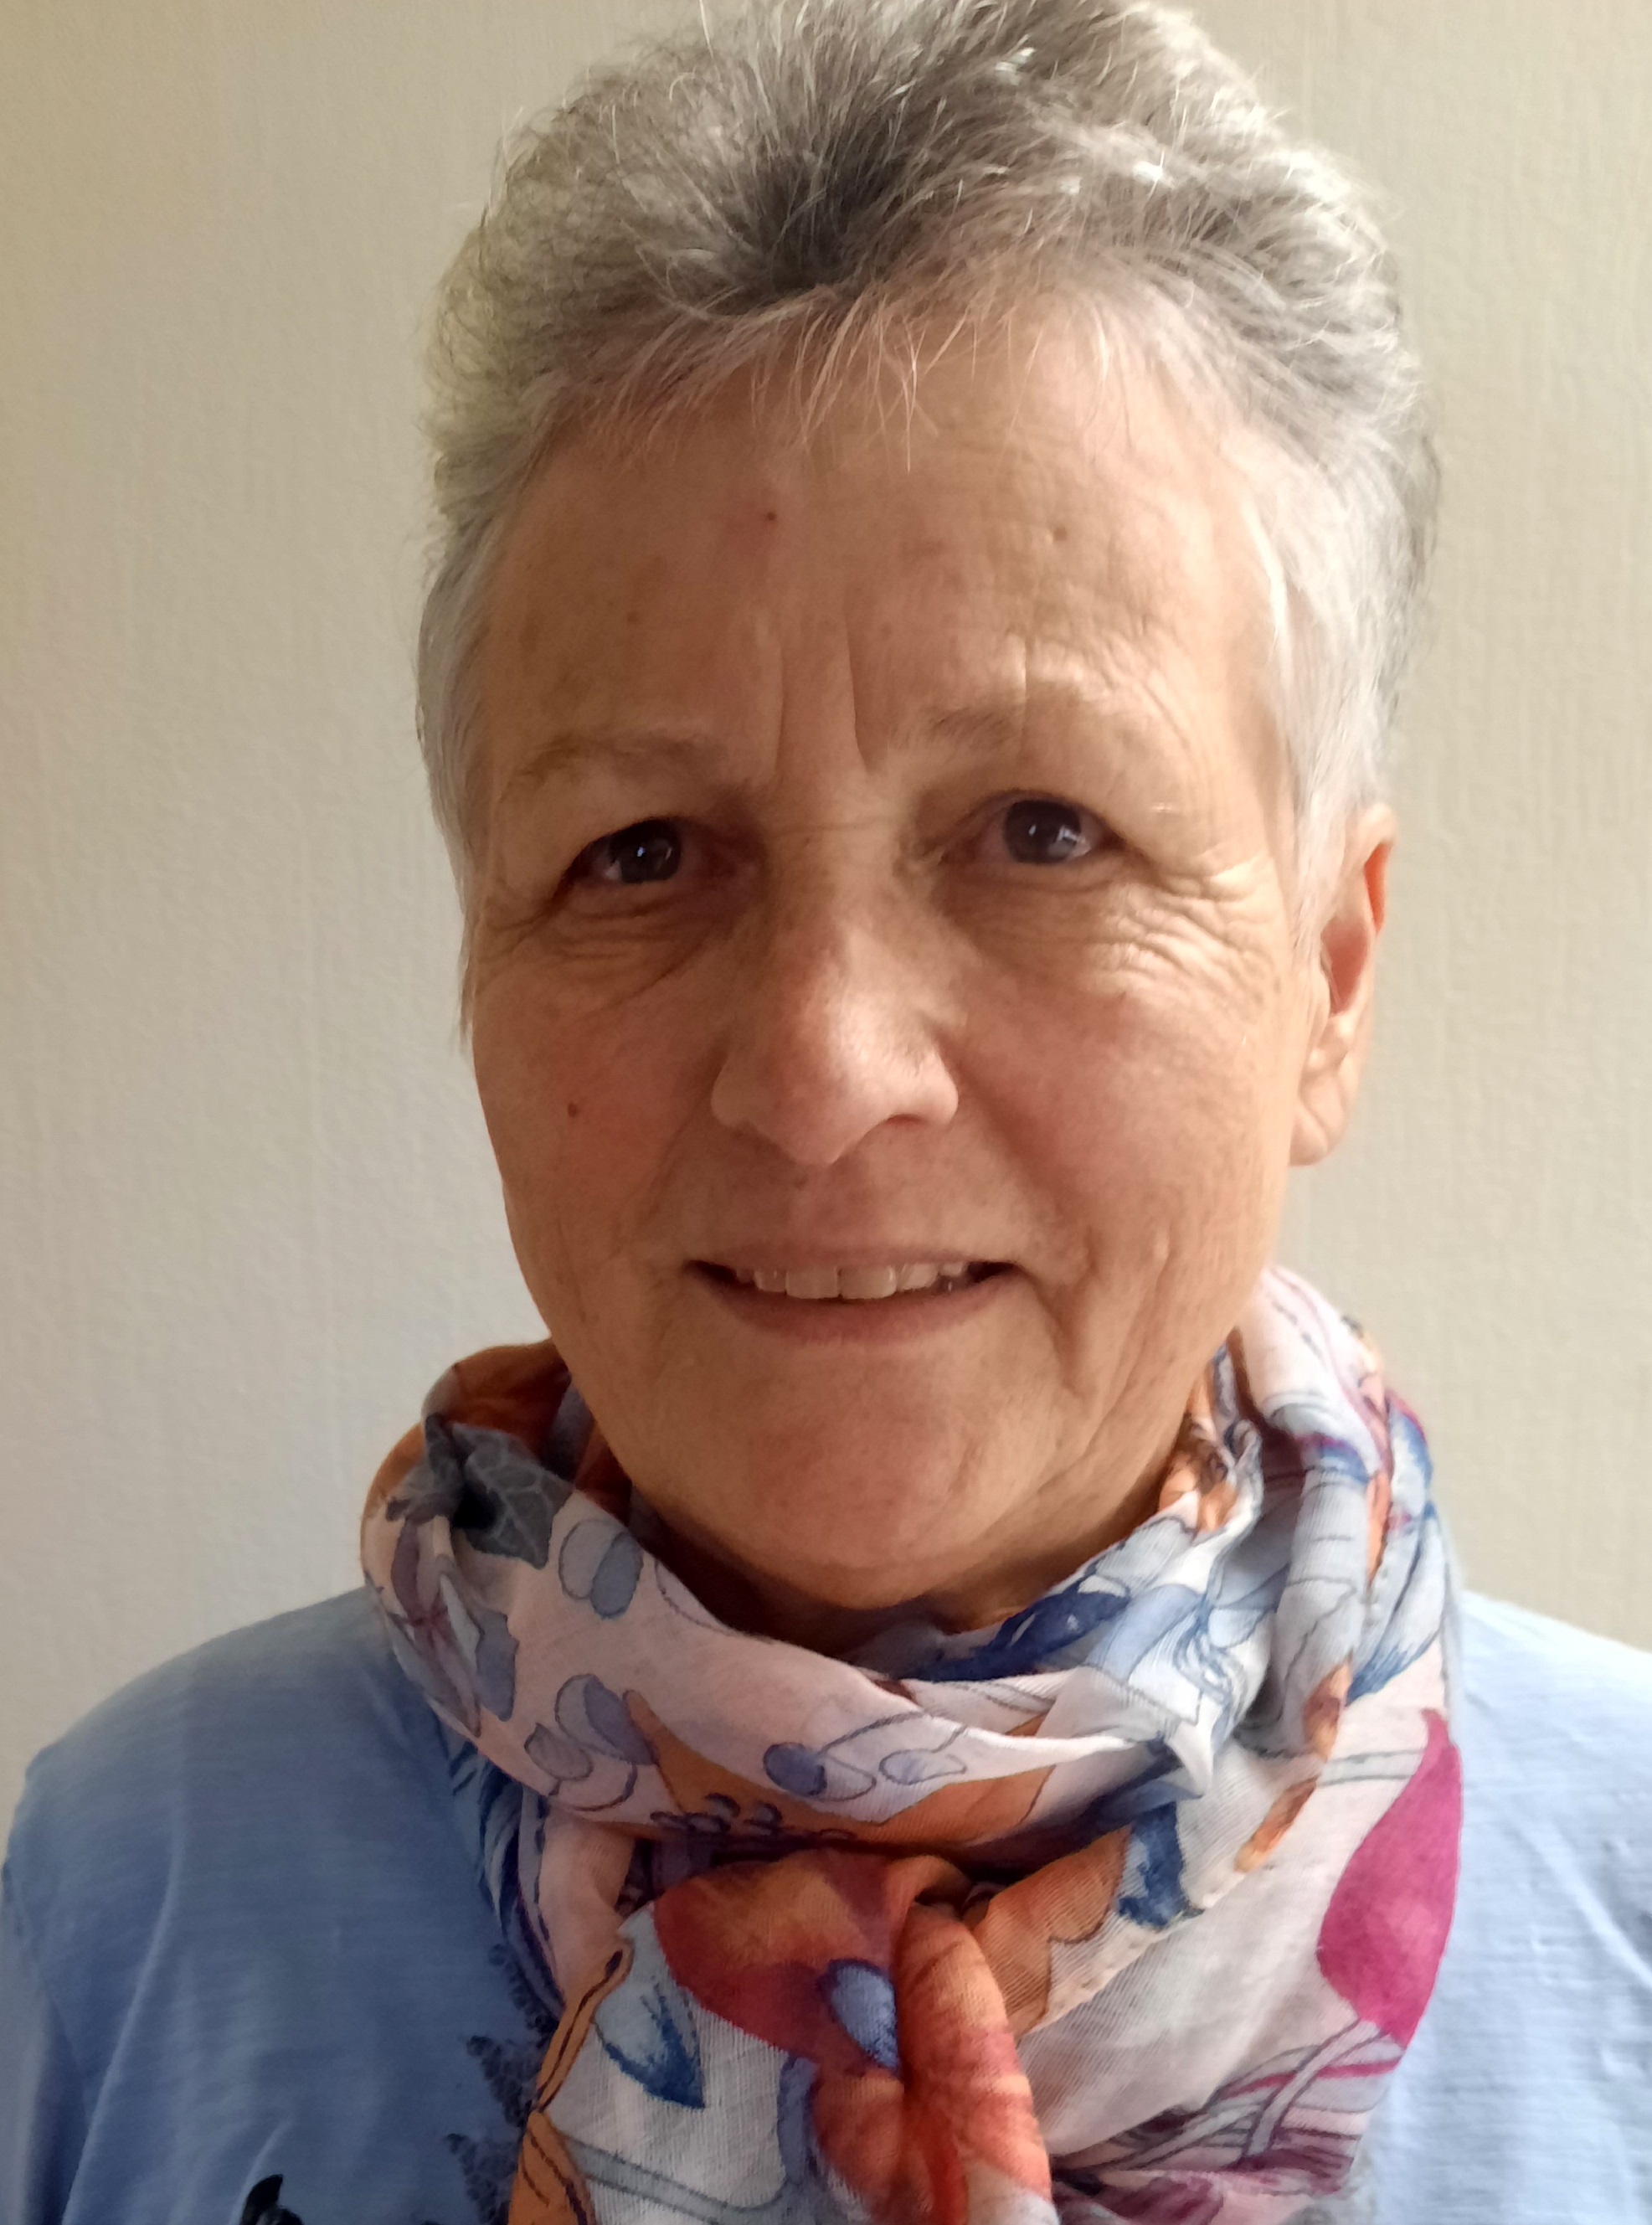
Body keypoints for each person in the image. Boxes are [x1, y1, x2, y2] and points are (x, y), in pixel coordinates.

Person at [3, 2, 1649, 2220]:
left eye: (1045, 829)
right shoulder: (126, 1906)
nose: (820, 1067)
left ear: (1329, 980)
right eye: (642, 851)